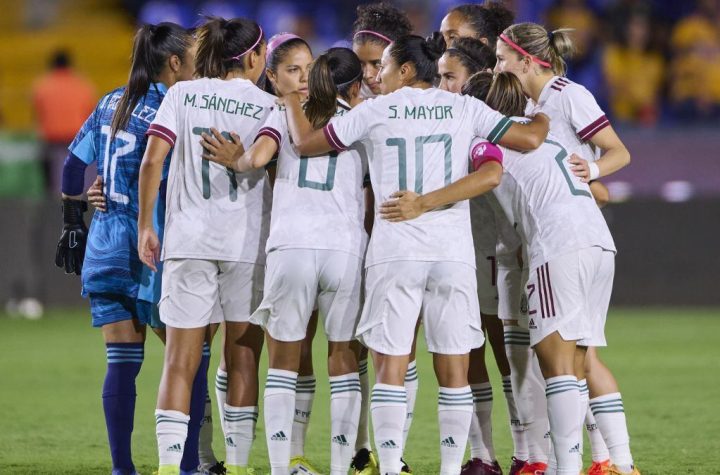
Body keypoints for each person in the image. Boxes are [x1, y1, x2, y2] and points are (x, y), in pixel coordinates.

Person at [282, 33, 549, 475]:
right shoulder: (463, 106)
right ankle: (448, 469)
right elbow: (528, 139)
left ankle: (389, 468)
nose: (375, 76)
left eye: (383, 67)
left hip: (396, 250)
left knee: (390, 362)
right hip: (452, 254)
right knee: (454, 368)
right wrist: (546, 111)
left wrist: (291, 99)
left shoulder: (375, 110)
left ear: (406, 70)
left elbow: (307, 144)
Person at [202, 45, 370, 475]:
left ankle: (281, 467)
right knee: (342, 357)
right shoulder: (360, 117)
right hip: (344, 248)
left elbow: (256, 159)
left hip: (291, 246)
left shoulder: (282, 113)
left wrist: (233, 160)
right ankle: (337, 466)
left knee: (284, 359)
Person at [494, 22, 638, 475]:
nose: (498, 65)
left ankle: (571, 465)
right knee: (581, 357)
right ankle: (615, 463)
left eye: (502, 57)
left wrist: (592, 170)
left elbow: (619, 152)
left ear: (525, 59)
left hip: (562, 235)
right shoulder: (533, 108)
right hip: (582, 227)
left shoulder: (567, 93)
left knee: (561, 361)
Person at [54, 23, 197, 475]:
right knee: (187, 360)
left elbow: (73, 171)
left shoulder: (110, 102)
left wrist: (75, 218)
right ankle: (188, 466)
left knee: (121, 362)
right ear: (174, 63)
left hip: (105, 241)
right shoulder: (177, 105)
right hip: (156, 243)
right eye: (193, 57)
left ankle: (122, 470)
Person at [137, 16, 273, 475]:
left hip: (188, 239)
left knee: (180, 359)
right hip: (246, 243)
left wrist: (145, 227)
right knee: (242, 356)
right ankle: (236, 467)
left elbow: (153, 160)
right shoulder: (267, 104)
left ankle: (167, 467)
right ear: (253, 56)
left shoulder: (182, 93)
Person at [439, 4, 534, 473]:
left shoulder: (501, 113)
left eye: (453, 35)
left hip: (504, 247)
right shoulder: (439, 111)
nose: (443, 86)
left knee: (510, 353)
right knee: (467, 346)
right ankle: (482, 456)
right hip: (462, 245)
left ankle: (526, 452)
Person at [350, 5, 414, 474]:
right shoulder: (351, 109)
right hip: (358, 242)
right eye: (362, 66)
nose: (369, 75)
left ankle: (392, 452)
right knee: (360, 349)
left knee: (401, 352)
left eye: (378, 64)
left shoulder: (418, 110)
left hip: (408, 243)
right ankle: (360, 451)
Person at [33, 49, 96, 194]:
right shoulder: (83, 86)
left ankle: (50, 205)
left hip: (52, 143)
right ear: (70, 65)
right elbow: (91, 116)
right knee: (79, 186)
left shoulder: (42, 87)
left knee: (51, 188)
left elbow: (39, 116)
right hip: (77, 142)